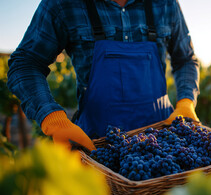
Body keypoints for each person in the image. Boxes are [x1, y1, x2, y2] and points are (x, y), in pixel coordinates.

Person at [7, 0, 200, 151]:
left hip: (162, 145)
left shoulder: (165, 3)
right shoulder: (63, 4)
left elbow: (185, 59)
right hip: (96, 147)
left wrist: (186, 102)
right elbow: (25, 63)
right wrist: (52, 118)